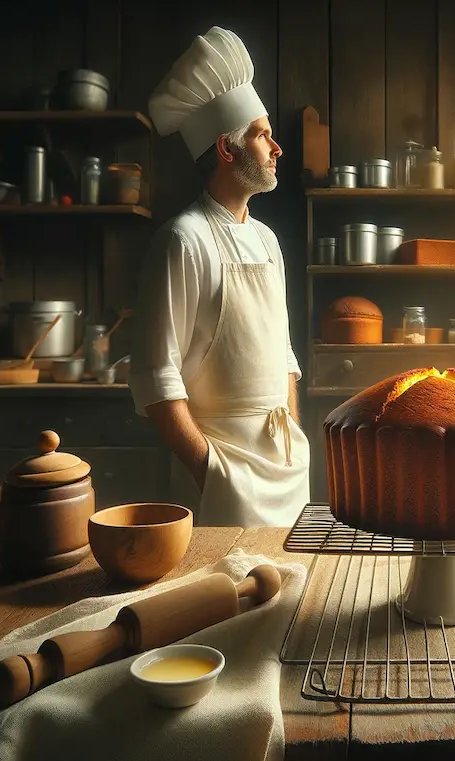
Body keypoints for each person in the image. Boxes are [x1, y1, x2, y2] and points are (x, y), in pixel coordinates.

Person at [129, 26, 309, 529]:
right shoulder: (183, 240)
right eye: (261, 134)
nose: (276, 148)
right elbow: (155, 379)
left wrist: (291, 430)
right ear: (226, 150)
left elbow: (285, 357)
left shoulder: (269, 241)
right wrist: (209, 469)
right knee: (221, 602)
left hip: (286, 464)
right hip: (223, 471)